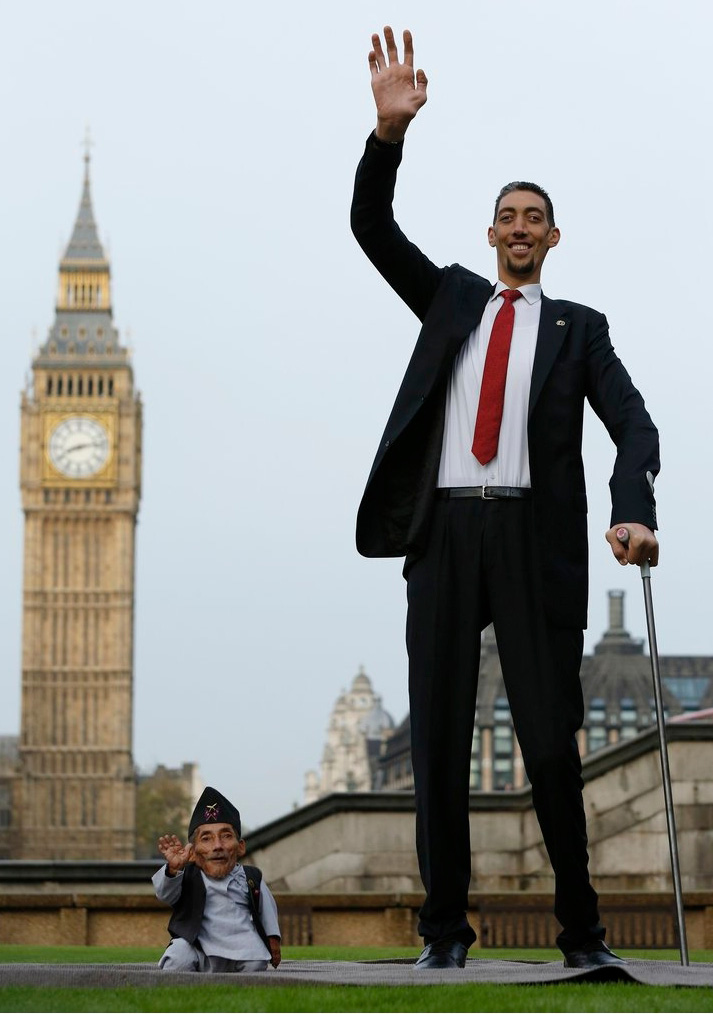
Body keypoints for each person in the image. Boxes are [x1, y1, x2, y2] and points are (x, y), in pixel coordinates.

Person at [351, 27, 660, 971]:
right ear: (491, 234)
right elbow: (370, 229)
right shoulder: (449, 299)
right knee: (438, 739)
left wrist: (630, 503)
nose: (520, 227)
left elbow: (634, 426)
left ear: (552, 237)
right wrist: (386, 133)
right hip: (443, 534)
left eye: (535, 216)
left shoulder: (578, 328)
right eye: (506, 216)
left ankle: (583, 938)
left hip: (532, 544)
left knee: (550, 747)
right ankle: (443, 935)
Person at [152, 786, 281, 973]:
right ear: (193, 852)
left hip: (242, 945)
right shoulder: (187, 875)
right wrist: (173, 869)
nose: (218, 846)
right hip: (198, 944)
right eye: (207, 839)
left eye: (226, 836)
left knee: (256, 964)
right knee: (178, 959)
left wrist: (273, 939)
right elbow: (165, 895)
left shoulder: (251, 877)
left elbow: (267, 910)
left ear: (241, 847)